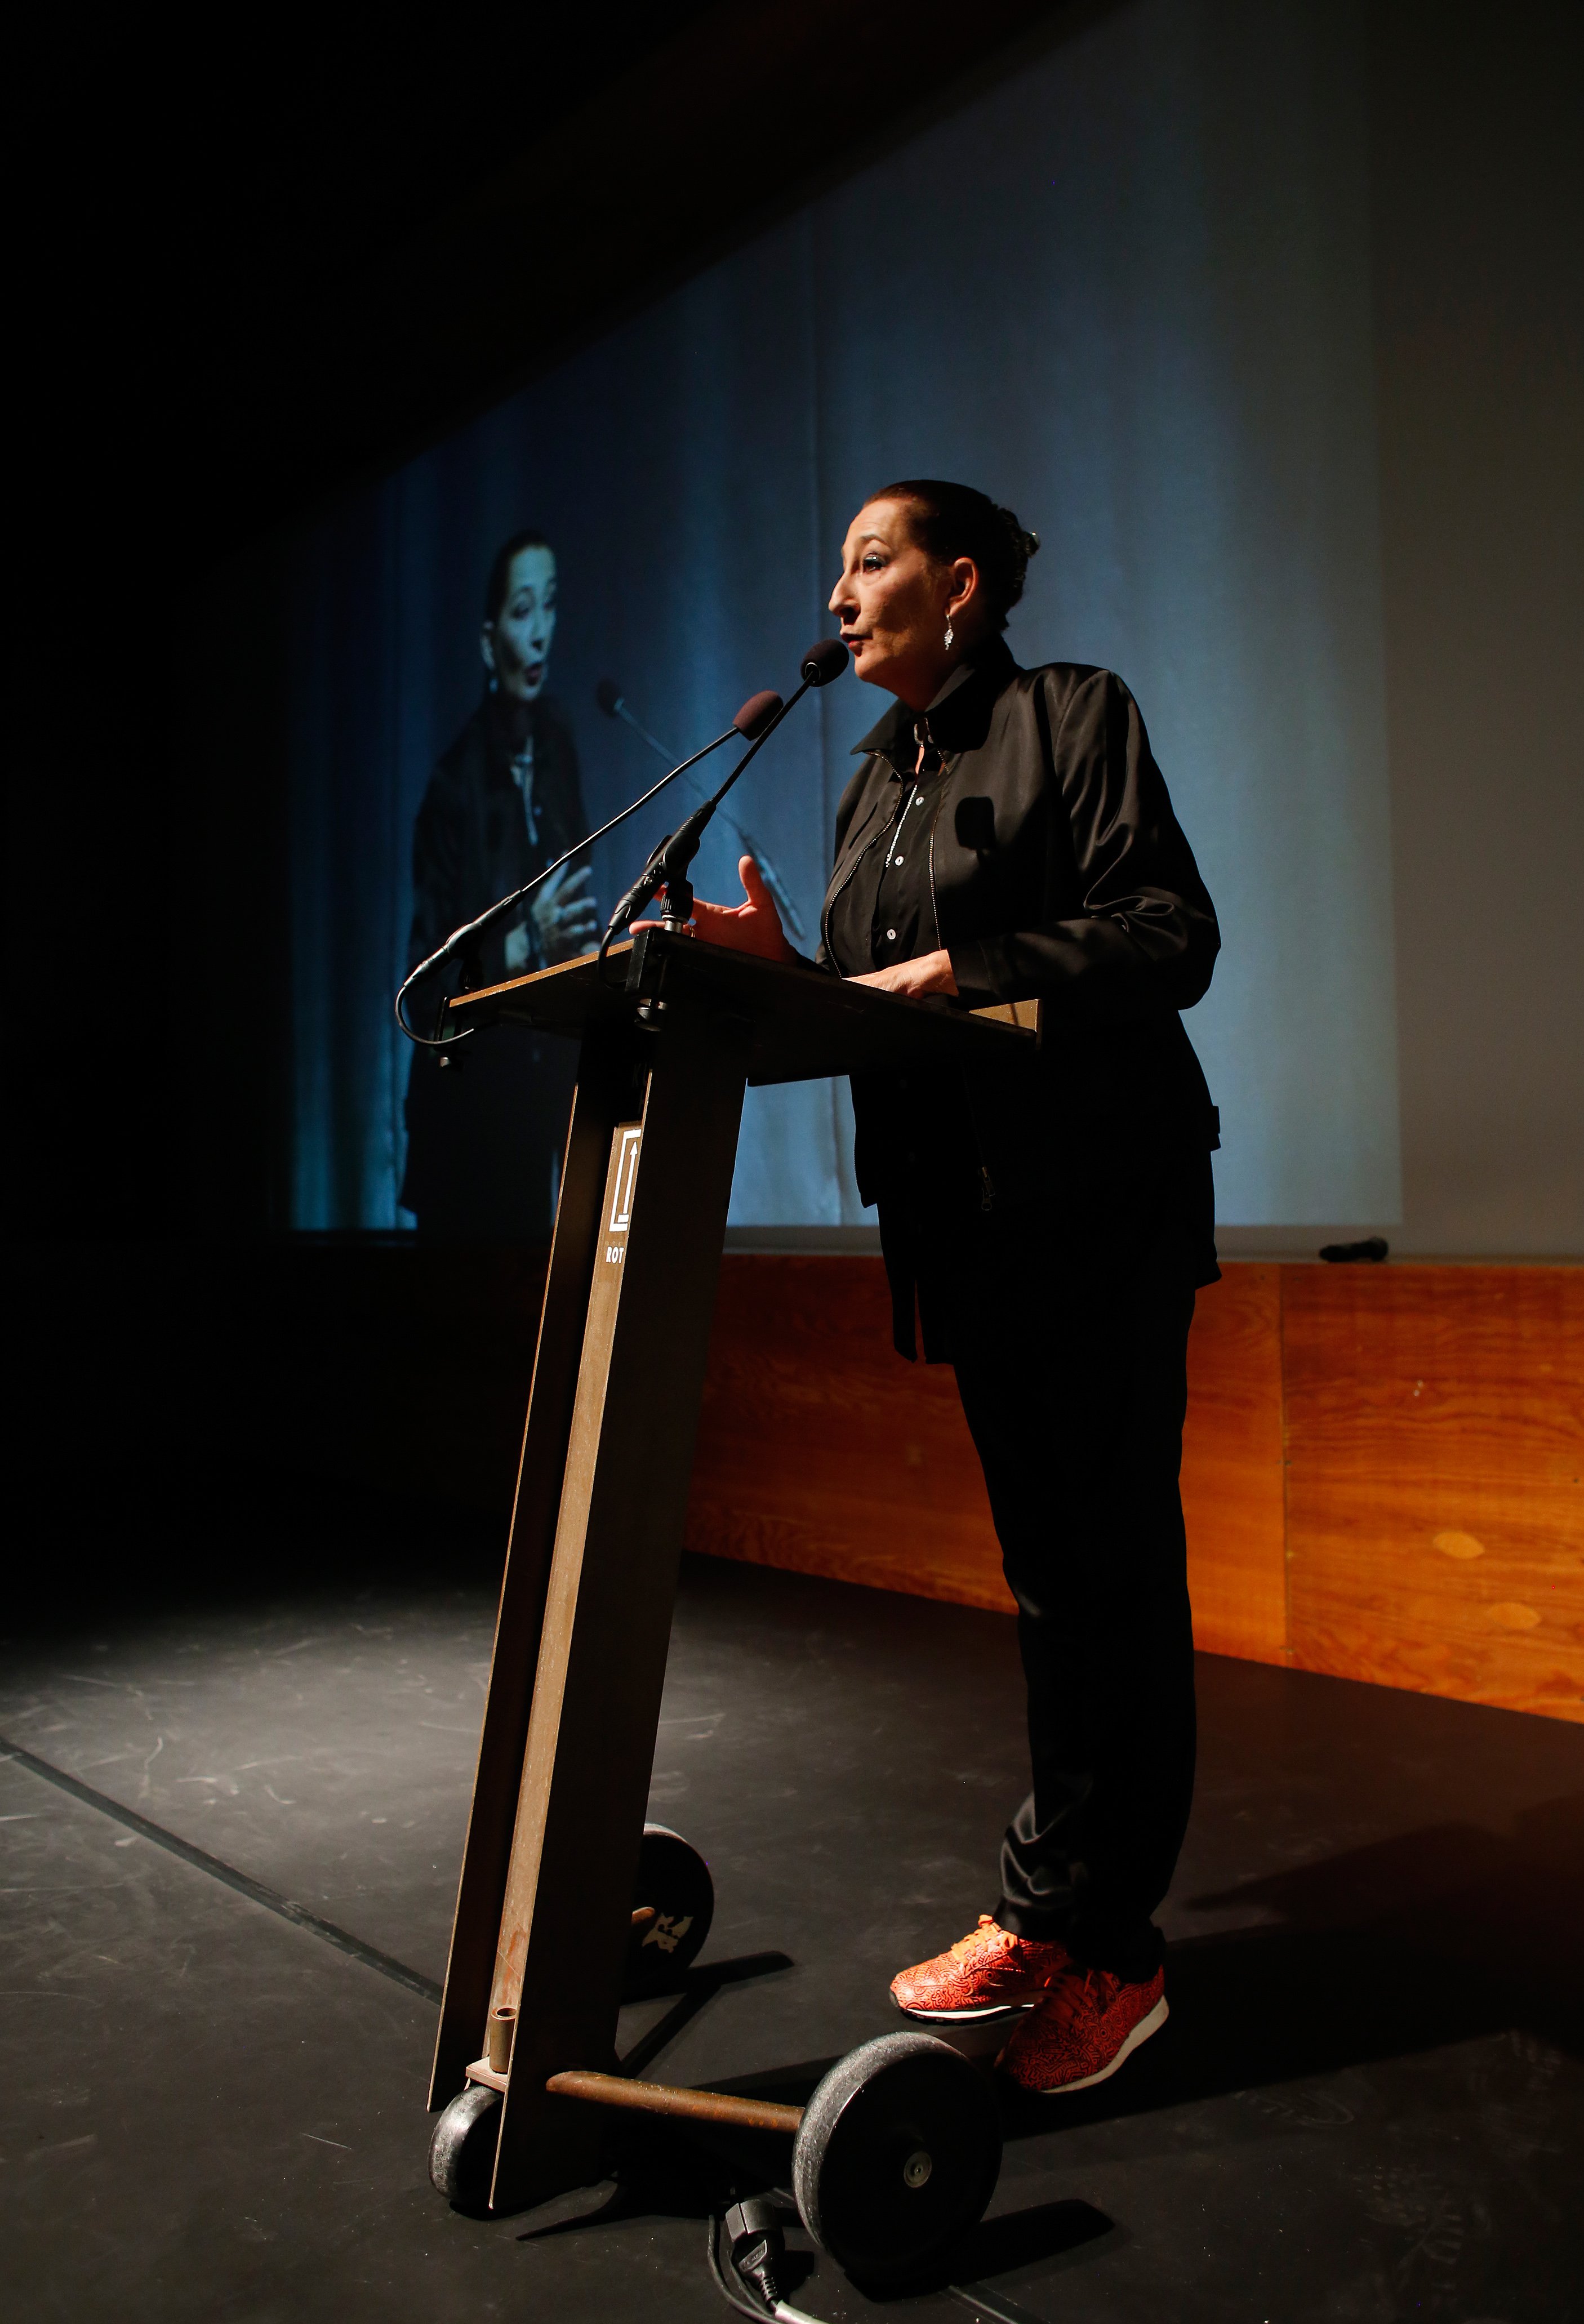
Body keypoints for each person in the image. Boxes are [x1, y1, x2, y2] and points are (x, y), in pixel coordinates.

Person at [680, 480, 1221, 2095]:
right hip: (964, 1216)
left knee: (1109, 1562)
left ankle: (1111, 1956)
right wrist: (778, 980)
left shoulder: (1069, 716)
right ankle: (1048, 1902)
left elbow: (1168, 931)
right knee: (1048, 1569)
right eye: (834, 566)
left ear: (960, 582)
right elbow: (873, 1000)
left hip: (1097, 1196)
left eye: (870, 560)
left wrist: (967, 971)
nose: (838, 594)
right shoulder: (868, 783)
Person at [402, 530, 599, 1239]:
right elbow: (423, 1002)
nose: (542, 631)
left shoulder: (557, 745)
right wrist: (522, 949)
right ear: (489, 642)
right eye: (522, 611)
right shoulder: (451, 789)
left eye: (550, 605)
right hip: (467, 1125)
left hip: (542, 1099)